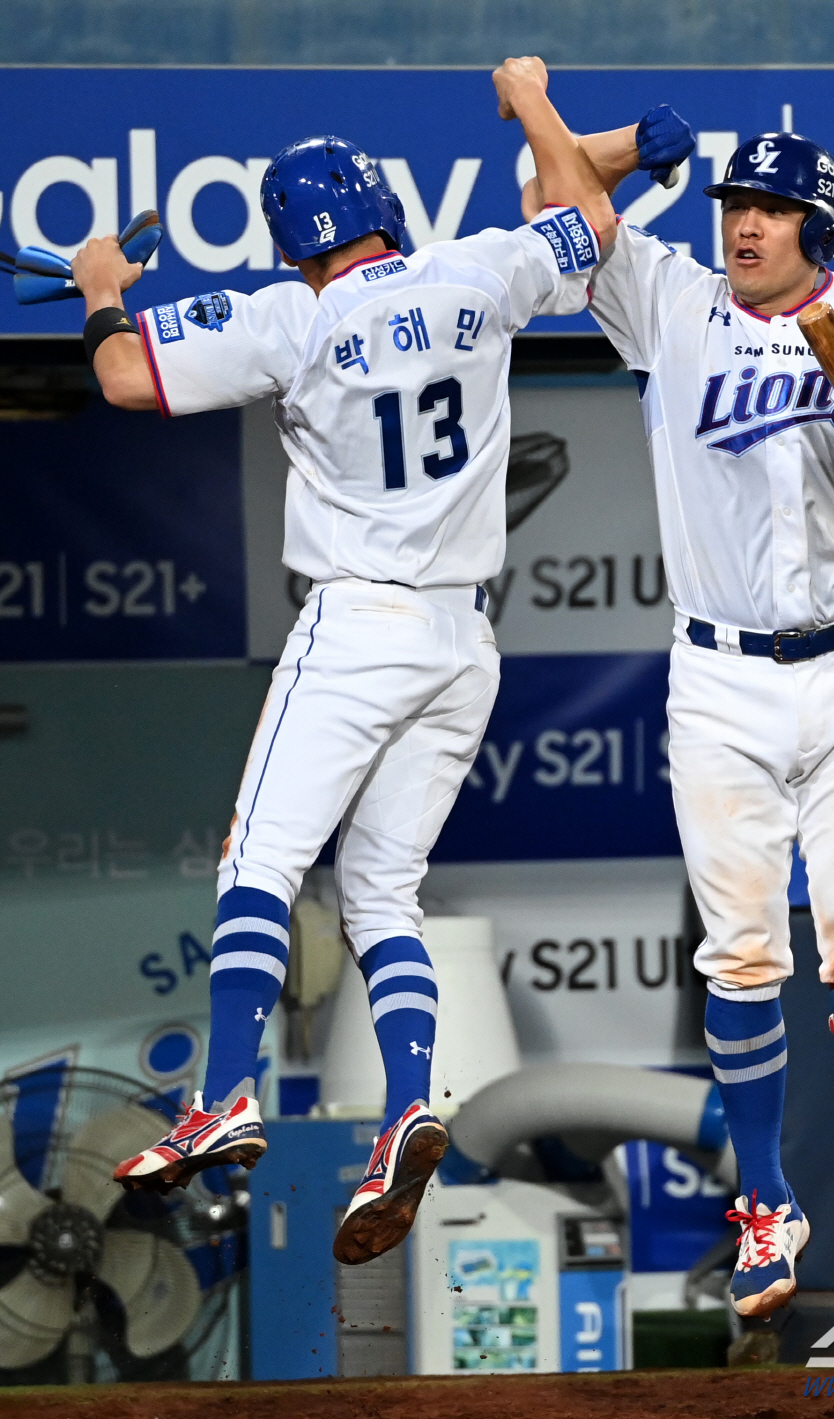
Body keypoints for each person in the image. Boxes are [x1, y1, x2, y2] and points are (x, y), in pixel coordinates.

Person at [71, 57, 616, 1266]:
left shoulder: (296, 315)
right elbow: (590, 218)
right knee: (381, 895)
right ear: (383, 211)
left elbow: (118, 373)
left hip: (359, 621)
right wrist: (534, 101)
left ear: (293, 243)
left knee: (259, 858)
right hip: (466, 640)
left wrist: (103, 289)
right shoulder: (480, 262)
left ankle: (224, 1093)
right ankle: (411, 1101)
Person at [522, 110, 834, 1310]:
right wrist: (590, 123)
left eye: (772, 206)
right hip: (717, 673)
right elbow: (567, 202)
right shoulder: (671, 298)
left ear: (820, 224)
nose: (744, 221)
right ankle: (765, 1208)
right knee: (740, 958)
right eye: (735, 203)